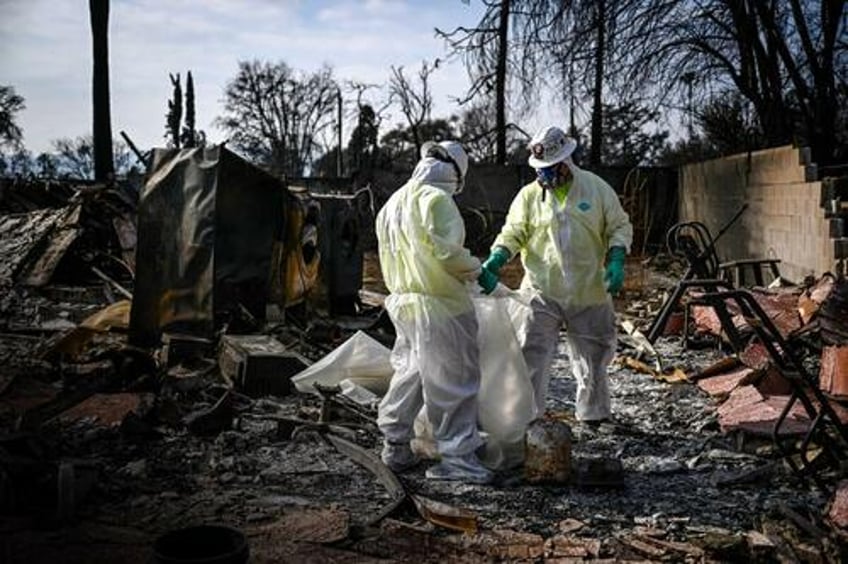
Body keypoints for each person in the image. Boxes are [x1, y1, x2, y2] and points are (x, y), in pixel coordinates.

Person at [478, 125, 633, 423]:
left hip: (589, 289)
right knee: (530, 353)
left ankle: (594, 415)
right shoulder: (528, 197)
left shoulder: (596, 188)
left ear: (566, 161)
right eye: (540, 169)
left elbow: (619, 225)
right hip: (541, 289)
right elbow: (514, 232)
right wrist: (497, 257)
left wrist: (616, 259)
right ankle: (527, 419)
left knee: (593, 356)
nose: (544, 175)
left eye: (550, 168)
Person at [375, 140, 493, 484]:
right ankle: (458, 460)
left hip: (402, 302)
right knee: (454, 381)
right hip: (439, 304)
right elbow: (447, 254)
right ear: (457, 175)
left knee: (410, 374)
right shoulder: (437, 201)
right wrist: (477, 270)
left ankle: (395, 446)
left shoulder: (393, 203)